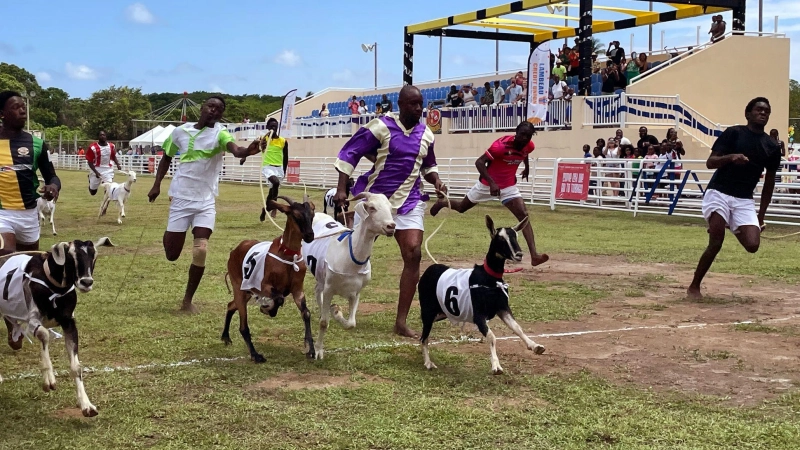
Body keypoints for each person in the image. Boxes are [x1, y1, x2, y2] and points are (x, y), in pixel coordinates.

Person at [332, 85, 447, 338]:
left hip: (409, 202)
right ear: (400, 104)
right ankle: (334, 293)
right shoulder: (381, 126)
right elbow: (350, 152)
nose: (418, 108)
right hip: (376, 202)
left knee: (414, 253)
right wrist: (342, 189)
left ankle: (401, 322)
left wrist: (437, 181)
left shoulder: (427, 134)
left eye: (421, 104)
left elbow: (428, 167)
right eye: (413, 104)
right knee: (350, 255)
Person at [147, 95, 264, 313]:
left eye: (219, 109)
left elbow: (235, 150)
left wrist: (248, 150)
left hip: (205, 201)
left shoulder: (220, 134)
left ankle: (187, 301)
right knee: (172, 254)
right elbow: (166, 158)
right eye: (211, 106)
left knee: (200, 250)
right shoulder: (180, 132)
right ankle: (171, 234)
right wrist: (157, 185)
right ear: (202, 108)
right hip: (181, 198)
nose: (214, 111)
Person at [687, 98, 780, 299]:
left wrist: (761, 215)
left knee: (753, 246)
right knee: (716, 241)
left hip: (744, 199)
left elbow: (769, 183)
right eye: (758, 109)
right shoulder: (733, 133)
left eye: (766, 111)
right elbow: (710, 162)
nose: (763, 113)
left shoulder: (771, 147)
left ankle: (729, 221)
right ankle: (695, 286)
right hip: (719, 192)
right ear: (747, 114)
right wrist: (731, 157)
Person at [430, 122, 549, 267]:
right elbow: (479, 163)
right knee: (462, 207)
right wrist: (492, 183)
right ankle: (443, 203)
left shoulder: (529, 146)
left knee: (523, 215)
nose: (524, 138)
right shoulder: (499, 146)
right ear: (516, 133)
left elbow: (525, 153)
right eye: (522, 135)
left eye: (528, 136)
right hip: (486, 185)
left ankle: (534, 256)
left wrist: (527, 168)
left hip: (508, 186)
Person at [0, 91, 61, 349]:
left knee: (28, 274)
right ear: (2, 114)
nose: (22, 111)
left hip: (29, 215)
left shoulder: (36, 143)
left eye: (23, 107)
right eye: (15, 107)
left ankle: (25, 317)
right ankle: (12, 323)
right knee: (7, 264)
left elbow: (52, 176)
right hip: (2, 214)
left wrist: (53, 188)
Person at [254, 118, 289, 222]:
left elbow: (286, 157)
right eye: (271, 126)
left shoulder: (283, 141)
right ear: (268, 128)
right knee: (275, 182)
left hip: (279, 168)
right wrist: (244, 158)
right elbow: (253, 149)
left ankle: (265, 209)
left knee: (272, 190)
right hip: (267, 166)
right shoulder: (263, 139)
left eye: (275, 126)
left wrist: (284, 170)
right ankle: (274, 206)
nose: (273, 128)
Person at [86, 130, 122, 196]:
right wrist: (96, 172)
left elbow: (113, 156)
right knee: (93, 192)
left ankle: (105, 204)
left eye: (104, 135)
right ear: (98, 137)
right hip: (96, 169)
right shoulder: (93, 147)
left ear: (106, 136)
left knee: (108, 189)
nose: (102, 136)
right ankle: (90, 180)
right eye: (101, 135)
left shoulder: (111, 146)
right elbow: (90, 162)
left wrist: (117, 164)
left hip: (108, 169)